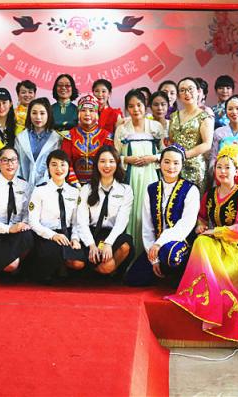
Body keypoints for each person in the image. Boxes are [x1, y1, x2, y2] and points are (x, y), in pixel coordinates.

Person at [167, 144, 238, 341]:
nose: (222, 171)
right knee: (200, 242)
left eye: (227, 167)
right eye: (219, 167)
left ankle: (213, 297)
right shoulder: (210, 194)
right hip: (218, 241)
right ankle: (204, 297)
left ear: (236, 171)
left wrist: (213, 231)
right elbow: (201, 217)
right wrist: (200, 226)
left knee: (205, 242)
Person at [125, 145, 200, 286]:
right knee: (133, 278)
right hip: (156, 246)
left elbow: (186, 224)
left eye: (176, 163)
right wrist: (153, 257)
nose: (171, 167)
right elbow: (147, 226)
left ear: (182, 165)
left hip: (181, 241)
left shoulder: (191, 189)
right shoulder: (151, 189)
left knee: (170, 254)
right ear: (160, 163)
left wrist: (160, 242)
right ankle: (162, 272)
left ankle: (176, 275)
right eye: (167, 162)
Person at [114, 90, 163, 258]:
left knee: (149, 212)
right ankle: (129, 257)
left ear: (145, 105)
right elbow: (114, 157)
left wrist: (153, 158)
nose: (136, 109)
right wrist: (127, 159)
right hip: (131, 178)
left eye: (139, 105)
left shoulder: (156, 127)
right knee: (132, 212)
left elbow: (165, 153)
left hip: (151, 176)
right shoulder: (122, 130)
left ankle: (150, 256)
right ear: (126, 109)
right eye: (131, 106)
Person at [71, 146, 134, 276]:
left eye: (111, 161)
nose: (107, 165)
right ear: (96, 164)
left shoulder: (125, 190)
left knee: (124, 247)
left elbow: (121, 222)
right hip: (90, 233)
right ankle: (90, 270)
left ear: (117, 164)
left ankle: (103, 272)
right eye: (102, 161)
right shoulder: (86, 189)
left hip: (111, 234)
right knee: (76, 263)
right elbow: (81, 221)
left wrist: (108, 243)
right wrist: (91, 245)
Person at [0, 147, 34, 279]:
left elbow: (28, 212)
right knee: (10, 265)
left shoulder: (25, 185)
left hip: (17, 233)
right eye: (5, 160)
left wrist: (23, 224)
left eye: (13, 160)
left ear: (18, 162)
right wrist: (8, 229)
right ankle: (3, 270)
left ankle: (19, 268)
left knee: (29, 235)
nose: (10, 164)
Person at [27, 150, 82, 283]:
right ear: (48, 168)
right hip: (46, 235)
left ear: (68, 167)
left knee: (78, 264)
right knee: (50, 259)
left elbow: (77, 222)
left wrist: (75, 238)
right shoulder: (39, 190)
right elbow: (33, 222)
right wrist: (53, 235)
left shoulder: (74, 192)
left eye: (63, 164)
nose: (59, 169)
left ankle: (62, 268)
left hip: (67, 233)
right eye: (54, 164)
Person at [168, 77, 214, 189]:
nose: (187, 93)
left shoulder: (204, 116)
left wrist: (184, 155)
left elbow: (207, 144)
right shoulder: (174, 116)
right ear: (179, 95)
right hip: (175, 167)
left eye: (190, 89)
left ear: (198, 91)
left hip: (195, 168)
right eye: (182, 90)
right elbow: (171, 140)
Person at [61, 94, 114, 185]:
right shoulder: (69, 136)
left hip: (100, 184)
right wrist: (75, 184)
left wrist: (100, 184)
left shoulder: (106, 137)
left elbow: (110, 163)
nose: (87, 114)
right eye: (83, 110)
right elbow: (65, 162)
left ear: (97, 114)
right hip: (74, 184)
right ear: (78, 113)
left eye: (91, 110)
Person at [15, 97, 63, 186]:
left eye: (42, 113)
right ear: (29, 114)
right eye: (34, 113)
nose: (38, 117)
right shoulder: (21, 137)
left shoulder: (56, 139)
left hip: (48, 186)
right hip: (22, 185)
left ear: (48, 114)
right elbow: (17, 163)